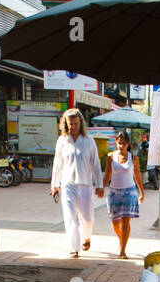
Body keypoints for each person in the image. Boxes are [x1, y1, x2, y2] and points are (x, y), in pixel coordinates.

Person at [51, 108, 104, 256]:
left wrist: (99, 185)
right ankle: (74, 248)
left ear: (80, 122)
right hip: (67, 184)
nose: (73, 126)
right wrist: (55, 184)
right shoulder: (62, 140)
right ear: (66, 124)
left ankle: (86, 237)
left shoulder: (89, 141)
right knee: (70, 217)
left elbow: (96, 165)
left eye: (75, 123)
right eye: (70, 124)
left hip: (85, 185)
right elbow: (57, 164)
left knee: (87, 219)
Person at [103, 129, 145, 259]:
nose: (121, 146)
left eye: (124, 143)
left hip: (129, 192)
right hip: (114, 192)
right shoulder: (111, 157)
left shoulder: (134, 159)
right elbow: (107, 174)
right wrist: (100, 188)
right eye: (119, 143)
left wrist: (142, 192)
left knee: (126, 221)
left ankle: (123, 250)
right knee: (115, 222)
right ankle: (122, 239)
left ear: (128, 144)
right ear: (116, 142)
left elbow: (137, 175)